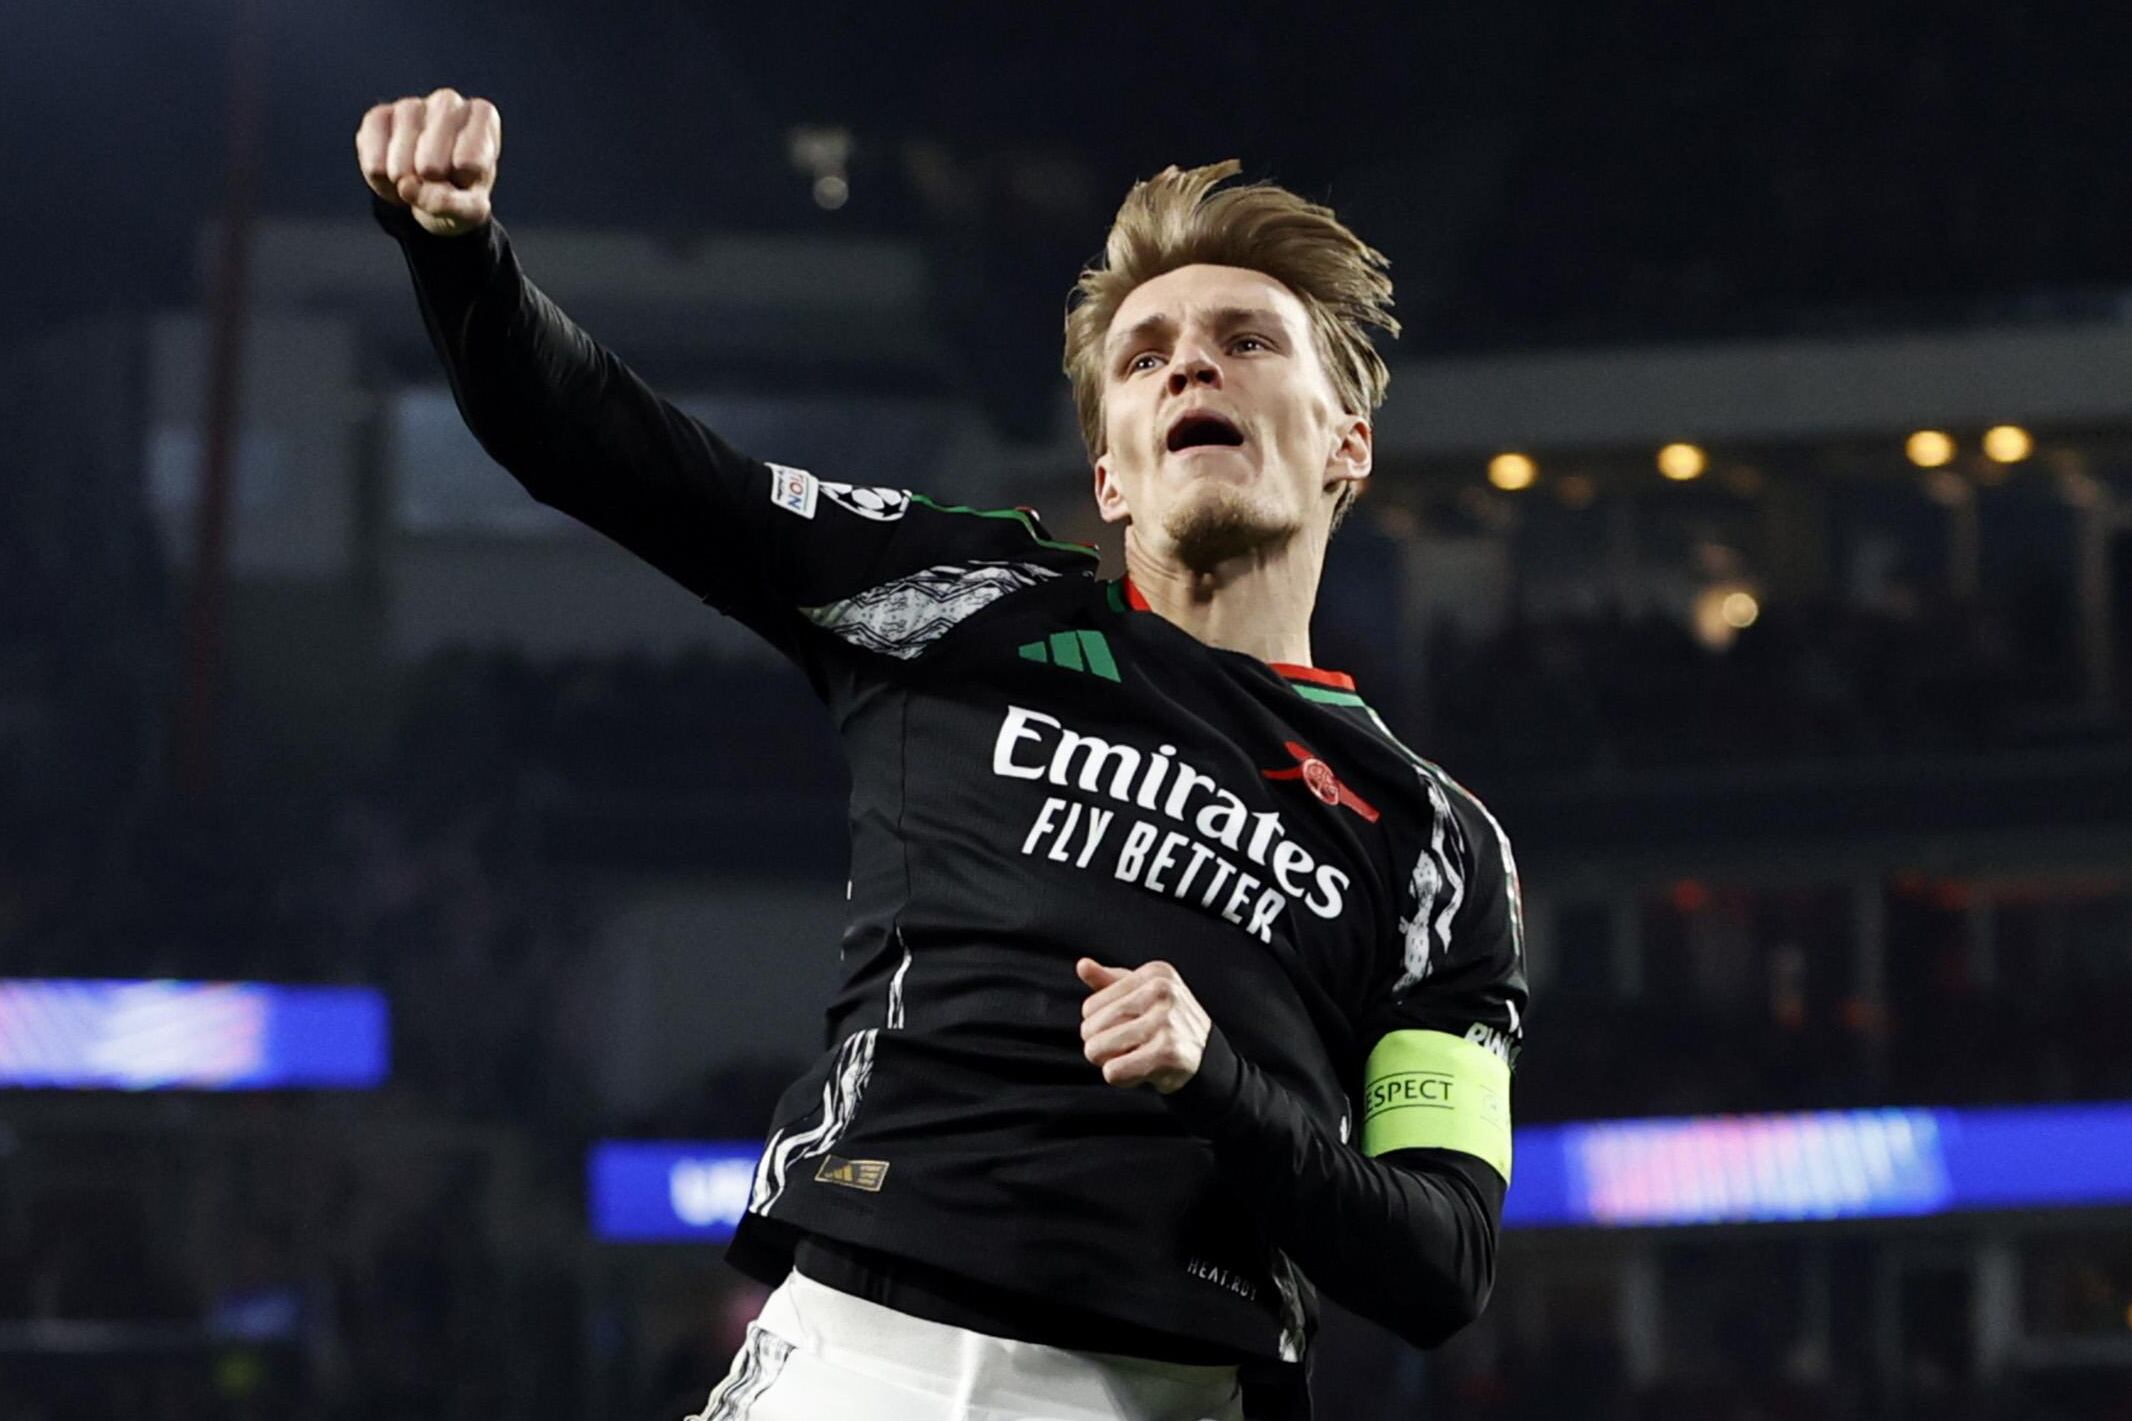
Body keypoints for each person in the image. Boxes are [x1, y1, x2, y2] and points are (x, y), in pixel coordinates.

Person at [358, 87, 1528, 1421]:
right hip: (862, 1360)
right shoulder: (967, 597)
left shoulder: (1432, 838)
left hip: (1169, 1388)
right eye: (1145, 355)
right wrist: (457, 252)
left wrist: (1223, 1086)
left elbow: (1443, 1256)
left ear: (1346, 443)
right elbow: (624, 455)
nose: (1190, 364)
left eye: (1246, 339)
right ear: (1110, 476)